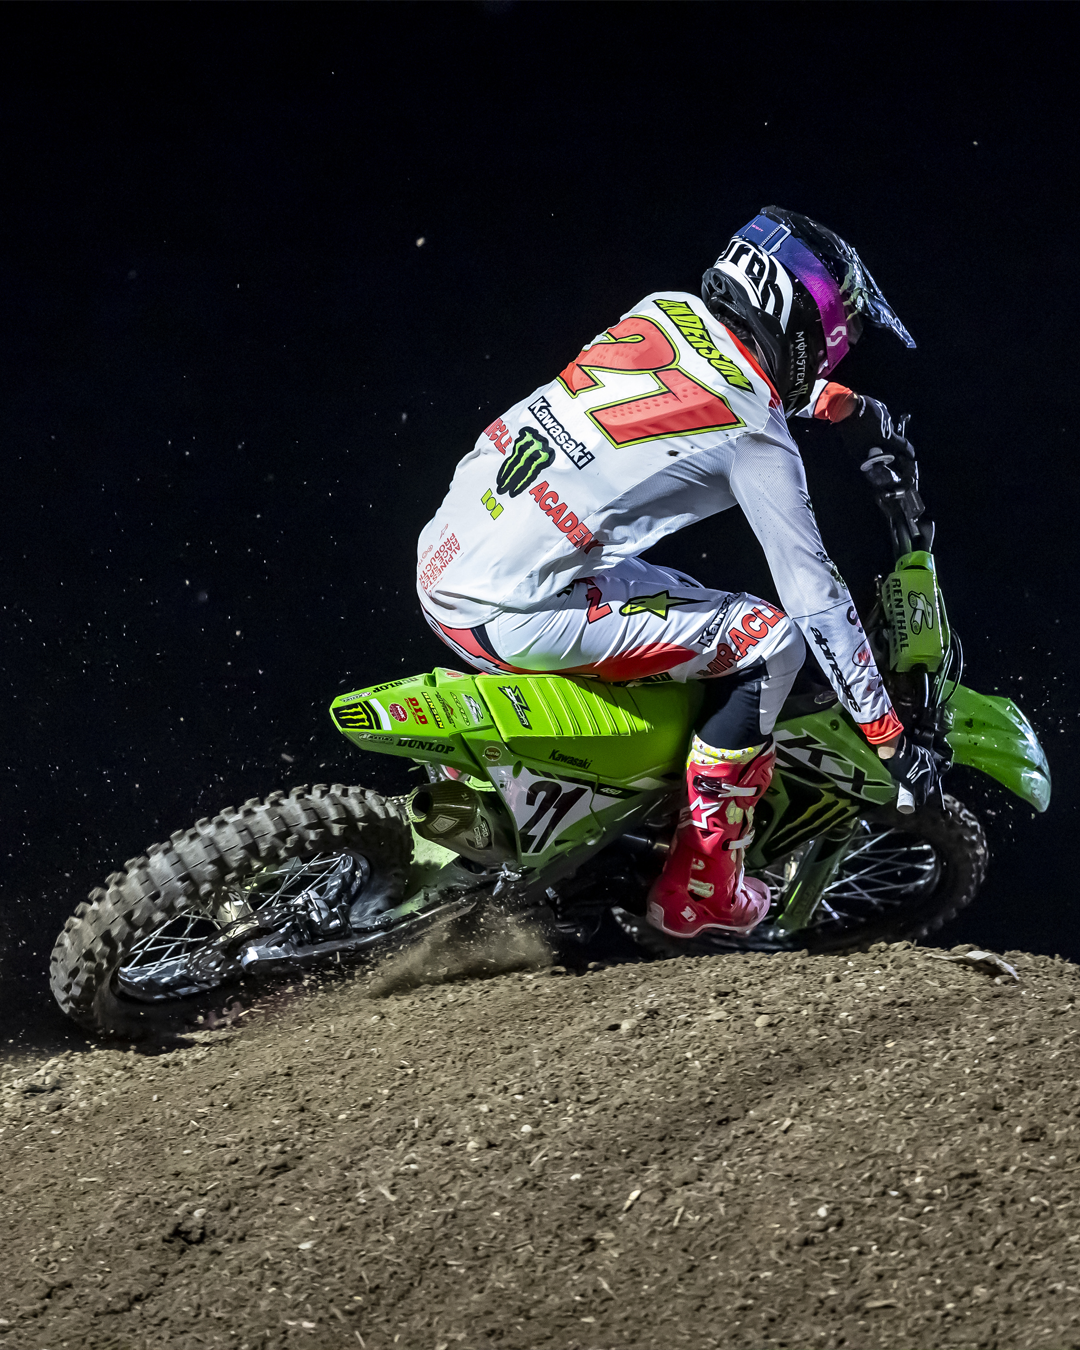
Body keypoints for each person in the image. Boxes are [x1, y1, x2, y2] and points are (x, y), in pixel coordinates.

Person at [415, 206, 939, 942]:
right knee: (771, 640)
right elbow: (816, 597)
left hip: (450, 547)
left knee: (684, 597)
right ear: (798, 318)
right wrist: (888, 738)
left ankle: (579, 786)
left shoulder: (662, 312)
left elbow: (691, 379)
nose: (832, 358)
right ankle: (700, 886)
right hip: (512, 609)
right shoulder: (758, 439)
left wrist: (844, 408)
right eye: (836, 340)